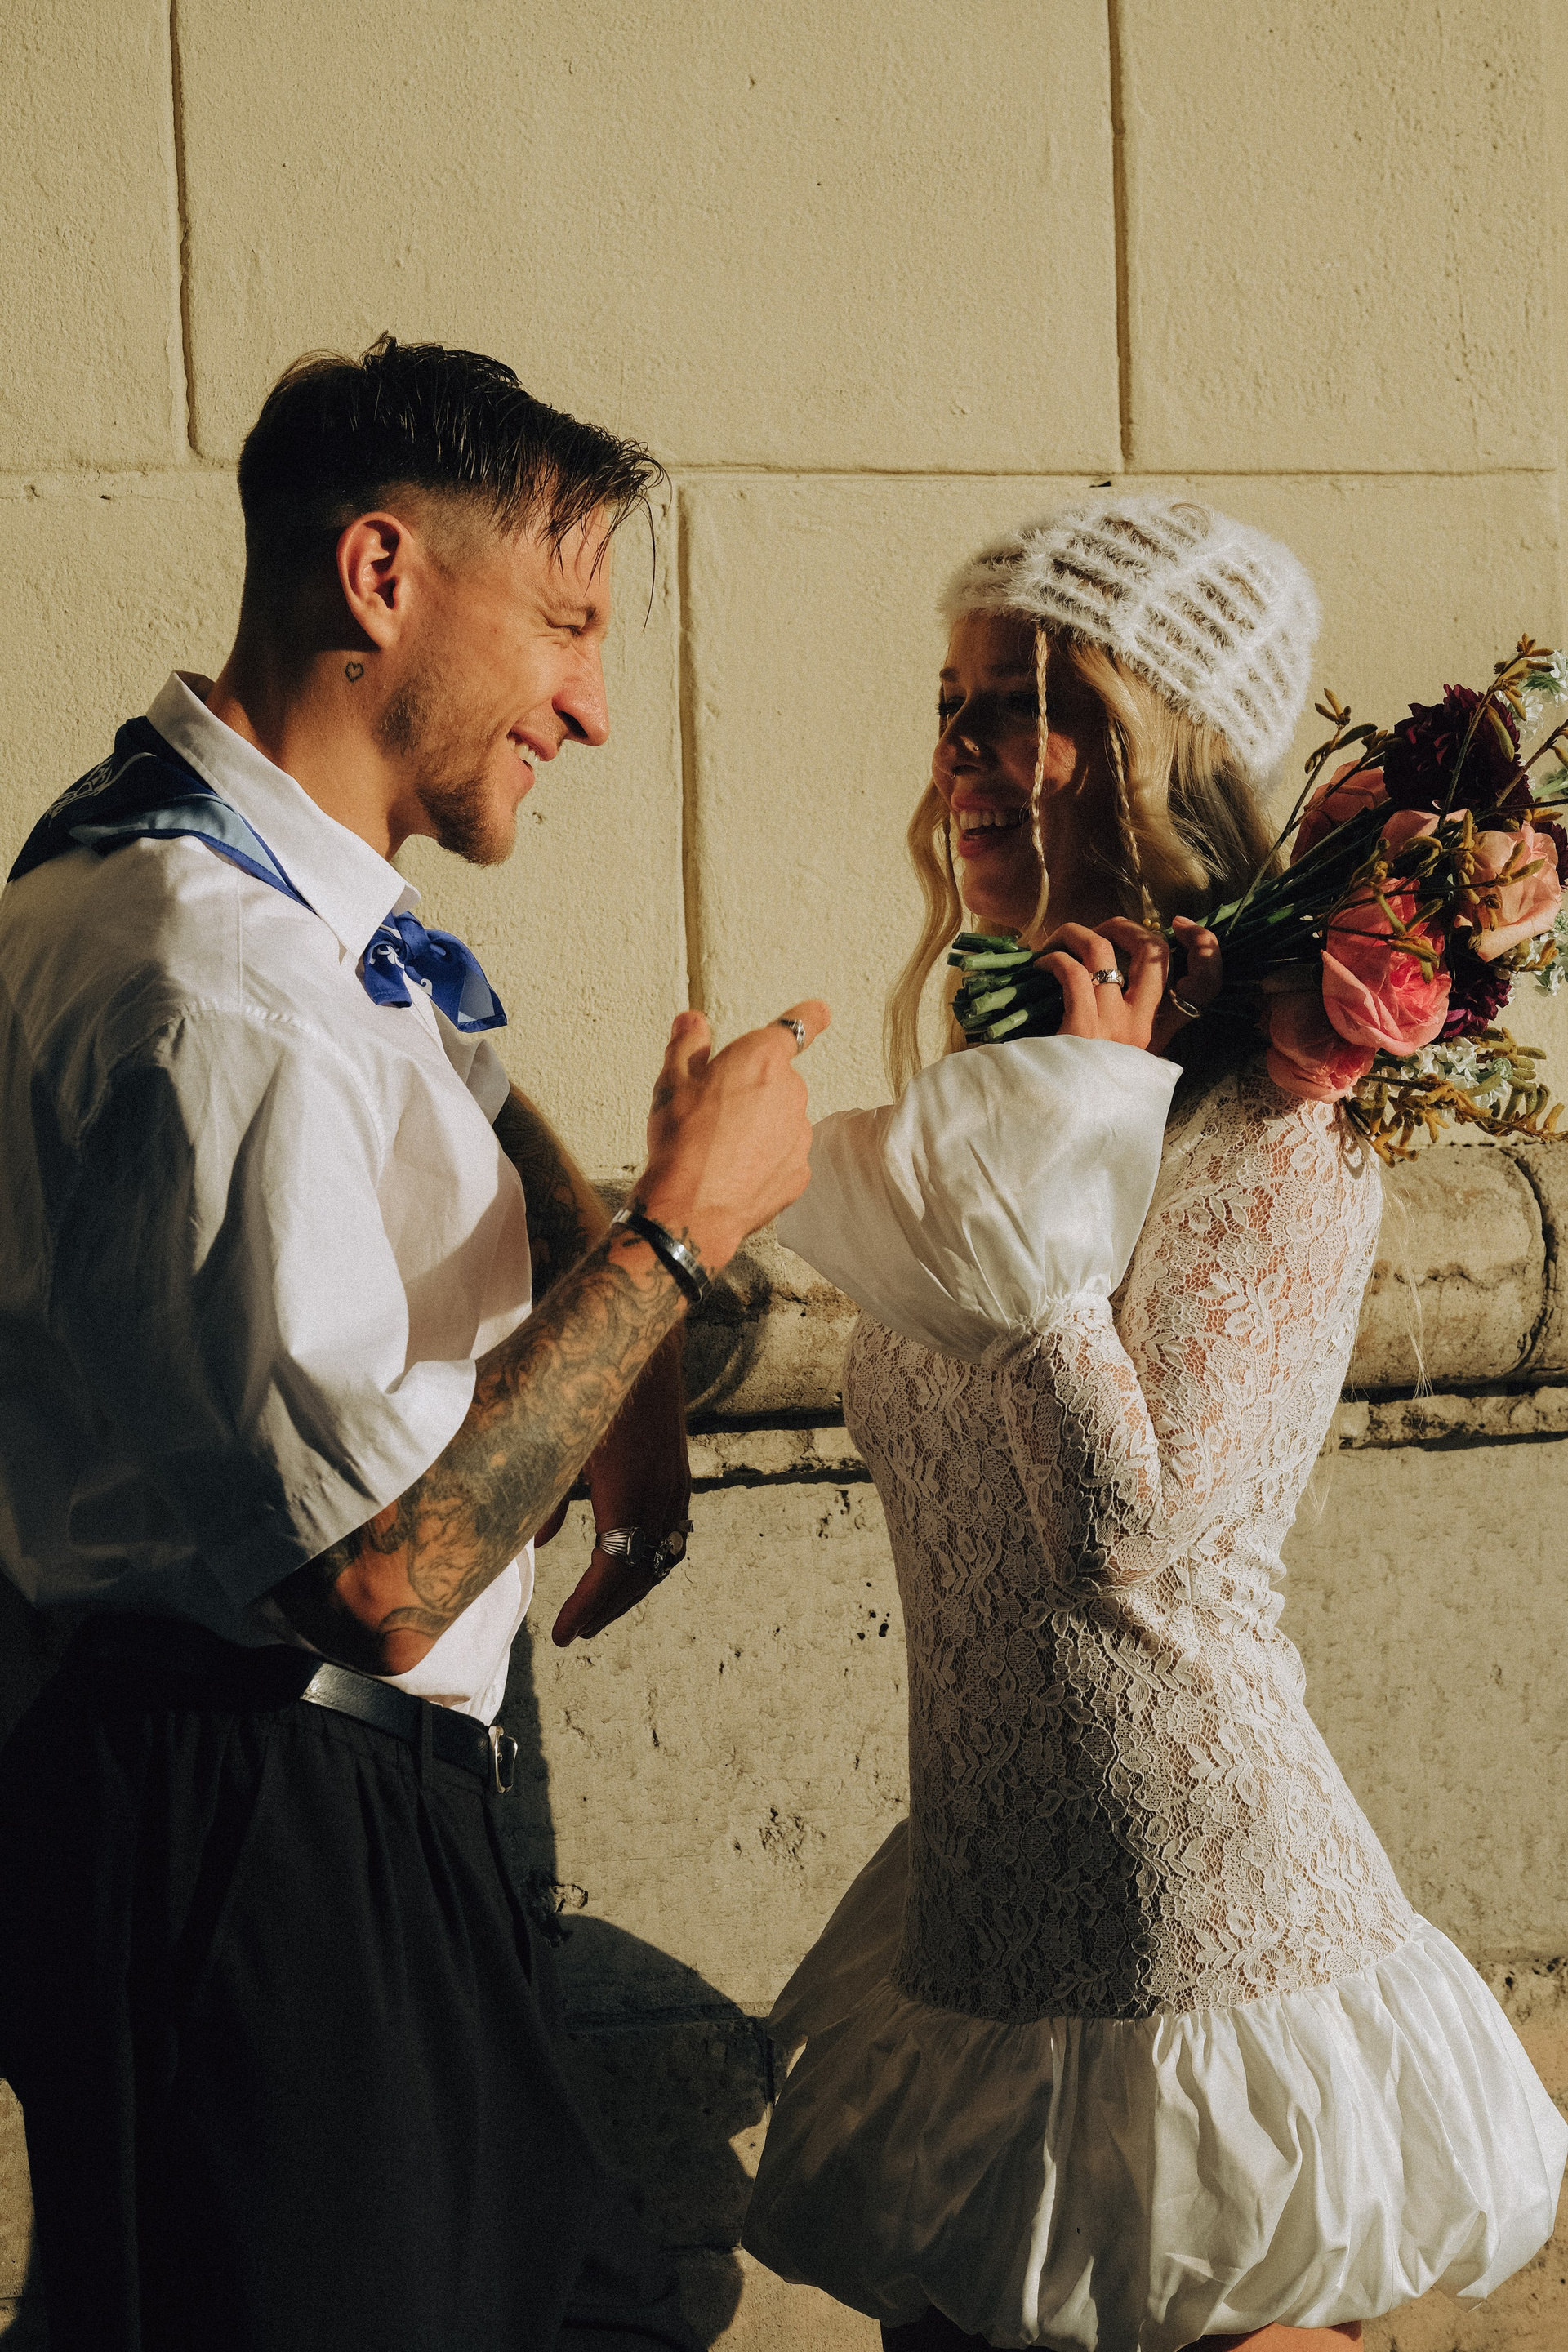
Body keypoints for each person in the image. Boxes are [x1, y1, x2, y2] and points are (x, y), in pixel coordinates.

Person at [0, 335, 827, 2352]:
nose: (595, 707)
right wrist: (680, 1235)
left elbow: (429, 1063)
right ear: (381, 574)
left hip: (324, 1824)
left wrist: (603, 1298)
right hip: (266, 1836)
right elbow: (374, 1576)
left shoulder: (226, 897)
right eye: (566, 624)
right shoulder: (210, 983)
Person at [741, 496, 1567, 2352]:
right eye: (947, 709)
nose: (958, 760)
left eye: (1017, 712)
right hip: (991, 1912)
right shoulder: (1026, 1088)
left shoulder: (1276, 1125)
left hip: (1189, 1926)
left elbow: (1126, 1541)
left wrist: (1066, 1160)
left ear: (1155, 753)